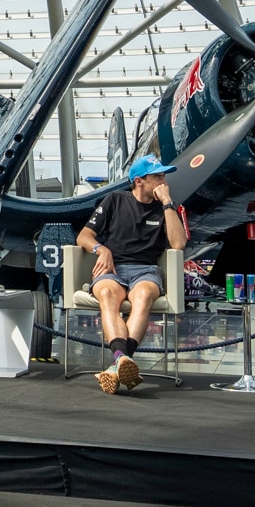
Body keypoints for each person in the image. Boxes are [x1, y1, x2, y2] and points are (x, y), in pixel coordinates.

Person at [75, 159, 184, 396]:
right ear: (139, 181)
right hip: (114, 270)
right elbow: (83, 236)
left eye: (163, 177)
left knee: (143, 296)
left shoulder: (165, 208)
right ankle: (122, 362)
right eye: (157, 177)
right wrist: (101, 249)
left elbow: (178, 243)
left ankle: (118, 363)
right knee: (106, 294)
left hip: (146, 270)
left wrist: (167, 203)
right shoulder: (115, 200)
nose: (163, 182)